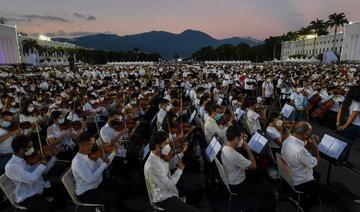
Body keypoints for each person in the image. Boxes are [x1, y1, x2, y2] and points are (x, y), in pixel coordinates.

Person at [281, 121, 357, 212]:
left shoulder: (287, 139)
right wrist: (315, 147)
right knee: (336, 195)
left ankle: (309, 196)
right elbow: (315, 163)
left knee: (317, 175)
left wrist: (306, 142)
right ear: (306, 134)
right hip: (301, 182)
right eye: (309, 134)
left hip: (290, 176)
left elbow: (300, 144)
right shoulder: (301, 151)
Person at [71, 131, 141, 212]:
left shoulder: (91, 154)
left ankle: (142, 189)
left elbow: (105, 165)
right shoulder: (78, 162)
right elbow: (90, 179)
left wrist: (113, 153)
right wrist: (103, 164)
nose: (95, 147)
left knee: (122, 185)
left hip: (99, 183)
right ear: (84, 145)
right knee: (113, 199)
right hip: (87, 192)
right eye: (92, 144)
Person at [5, 135, 67, 212]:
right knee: (47, 208)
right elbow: (32, 179)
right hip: (27, 196)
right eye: (30, 147)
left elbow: (44, 171)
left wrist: (54, 156)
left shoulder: (29, 158)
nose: (33, 149)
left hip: (39, 188)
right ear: (22, 150)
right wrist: (42, 163)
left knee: (62, 190)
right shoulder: (11, 166)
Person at [221, 126, 276, 212]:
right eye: (240, 138)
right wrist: (247, 148)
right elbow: (253, 165)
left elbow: (236, 145)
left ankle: (260, 188)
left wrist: (241, 137)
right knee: (269, 191)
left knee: (260, 172)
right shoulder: (234, 155)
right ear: (235, 138)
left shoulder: (225, 146)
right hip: (238, 185)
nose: (241, 140)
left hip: (233, 178)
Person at [144, 131, 198, 212]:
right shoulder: (152, 166)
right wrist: (179, 170)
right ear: (157, 146)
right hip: (163, 198)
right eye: (166, 143)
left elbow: (171, 164)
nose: (168, 146)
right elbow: (168, 185)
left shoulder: (160, 155)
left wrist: (182, 152)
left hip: (171, 189)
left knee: (196, 190)